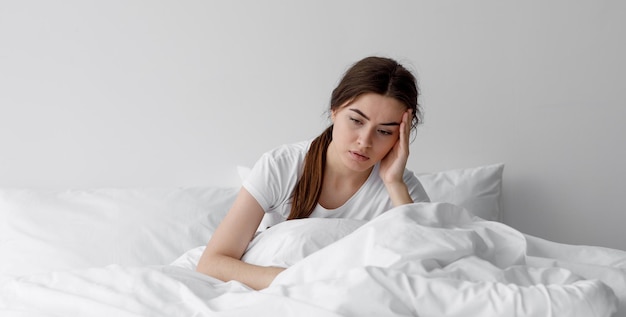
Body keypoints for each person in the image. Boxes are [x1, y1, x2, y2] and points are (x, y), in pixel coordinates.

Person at [196, 56, 430, 290]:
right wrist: (302, 281)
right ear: (335, 110)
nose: (364, 141)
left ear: (401, 136)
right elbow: (212, 262)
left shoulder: (401, 188)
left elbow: (426, 263)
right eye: (356, 121)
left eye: (383, 131)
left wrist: (394, 184)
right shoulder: (281, 166)